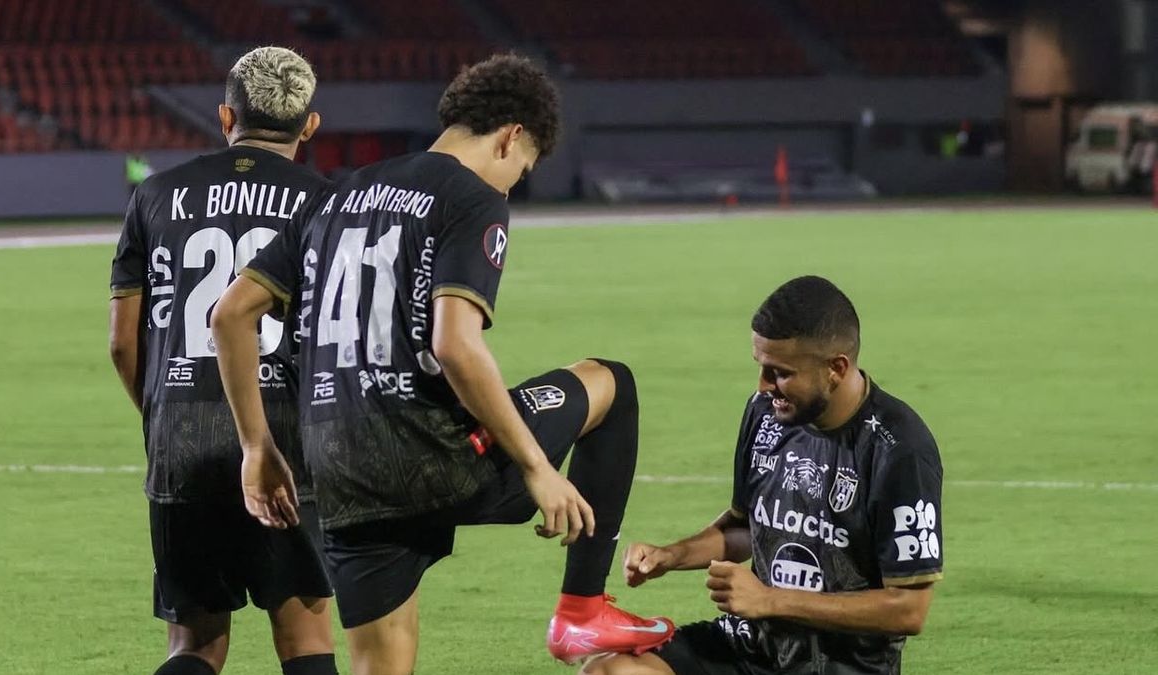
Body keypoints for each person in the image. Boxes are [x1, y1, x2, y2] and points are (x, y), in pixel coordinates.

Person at [209, 53, 674, 674]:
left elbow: (229, 316)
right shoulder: (472, 196)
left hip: (338, 467)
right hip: (434, 456)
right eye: (524, 169)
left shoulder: (340, 193)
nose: (514, 184)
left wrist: (258, 450)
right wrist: (536, 467)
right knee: (611, 382)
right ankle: (583, 610)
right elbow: (456, 344)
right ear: (511, 137)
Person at [107, 46, 338, 675]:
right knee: (305, 637)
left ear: (223, 116)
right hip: (288, 432)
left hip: (180, 431)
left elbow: (123, 343)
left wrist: (161, 415)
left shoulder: (154, 195)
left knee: (196, 644)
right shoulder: (327, 202)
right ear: (309, 125)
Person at [582, 276, 943, 675]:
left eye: (780, 373)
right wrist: (672, 555)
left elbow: (909, 609)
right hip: (752, 647)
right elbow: (745, 528)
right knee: (608, 669)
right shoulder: (766, 413)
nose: (764, 386)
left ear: (836, 368)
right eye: (761, 367)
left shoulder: (899, 448)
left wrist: (770, 600)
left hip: (839, 665)